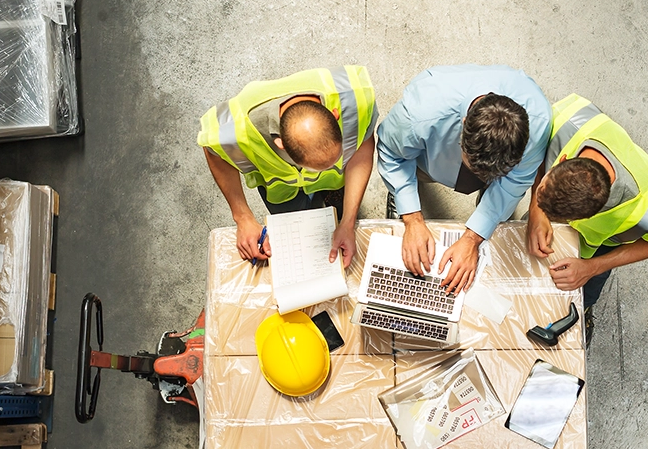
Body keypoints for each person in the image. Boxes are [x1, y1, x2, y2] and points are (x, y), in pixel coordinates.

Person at [376, 64, 551, 293]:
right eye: (474, 168)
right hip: (432, 159)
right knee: (411, 175)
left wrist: (473, 239)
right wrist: (412, 218)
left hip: (489, 163)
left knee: (499, 197)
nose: (480, 177)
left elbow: (514, 183)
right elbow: (391, 153)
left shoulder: (539, 122)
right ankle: (404, 197)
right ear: (464, 122)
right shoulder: (420, 114)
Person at [199, 66, 378, 265]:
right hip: (282, 190)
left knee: (339, 204)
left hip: (335, 186)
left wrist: (348, 222)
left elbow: (362, 147)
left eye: (335, 160)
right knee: (295, 224)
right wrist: (242, 217)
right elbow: (213, 151)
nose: (328, 170)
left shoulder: (355, 102)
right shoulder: (234, 128)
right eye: (317, 169)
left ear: (335, 115)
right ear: (281, 145)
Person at [526, 93, 648, 312]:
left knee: (584, 294)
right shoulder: (566, 119)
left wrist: (591, 267)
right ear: (562, 159)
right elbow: (537, 154)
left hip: (598, 251)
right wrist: (535, 210)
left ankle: (584, 311)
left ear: (589, 217)